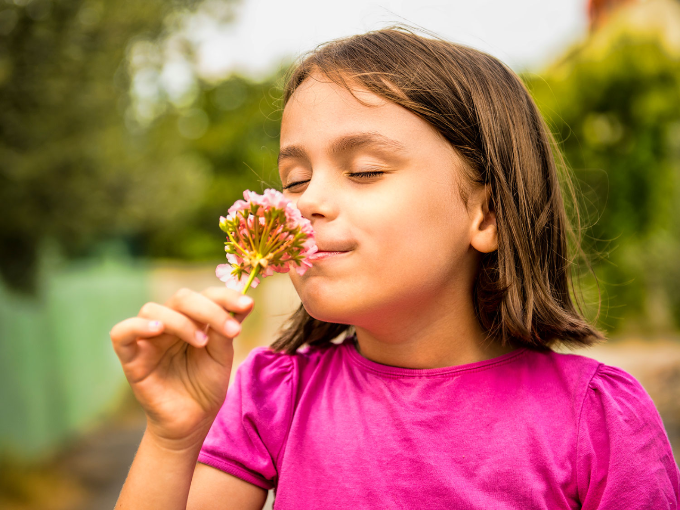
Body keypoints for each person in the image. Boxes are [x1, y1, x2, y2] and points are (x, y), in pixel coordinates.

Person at [110, 27, 680, 509]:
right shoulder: (271, 400)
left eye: (363, 171)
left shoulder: (598, 419)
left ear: (487, 214)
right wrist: (172, 437)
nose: (305, 204)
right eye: (295, 179)